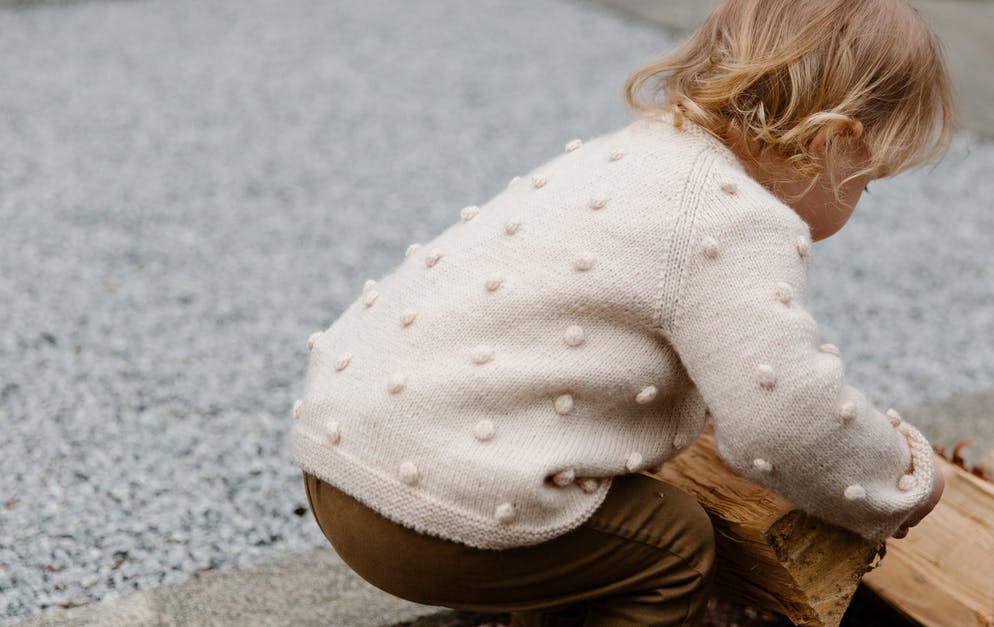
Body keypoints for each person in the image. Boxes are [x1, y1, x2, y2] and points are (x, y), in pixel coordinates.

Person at [291, 0, 954, 625]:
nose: (859, 199)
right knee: (674, 545)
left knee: (592, 513)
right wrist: (899, 477)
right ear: (828, 142)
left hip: (340, 453)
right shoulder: (735, 219)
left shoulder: (637, 151)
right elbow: (785, 418)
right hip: (427, 515)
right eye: (864, 181)